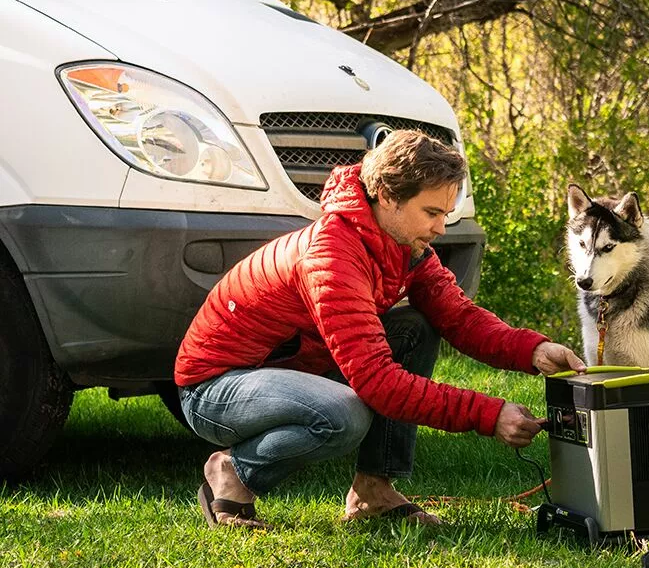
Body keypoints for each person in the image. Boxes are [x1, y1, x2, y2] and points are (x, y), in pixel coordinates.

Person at [174, 129, 585, 528]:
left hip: (292, 371)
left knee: (415, 326)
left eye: (446, 213)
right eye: (432, 212)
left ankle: (373, 489)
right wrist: (488, 414)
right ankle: (234, 470)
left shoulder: (405, 245)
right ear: (387, 197)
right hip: (215, 387)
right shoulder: (332, 256)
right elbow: (378, 384)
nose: (441, 227)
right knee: (343, 416)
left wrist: (532, 350)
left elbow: (458, 317)